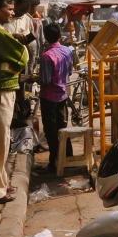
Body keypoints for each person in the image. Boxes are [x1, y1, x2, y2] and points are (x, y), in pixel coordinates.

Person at [0, 0, 26, 202]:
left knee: (2, 140)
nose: (13, 13)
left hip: (2, 89)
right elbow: (22, 55)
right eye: (10, 9)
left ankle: (2, 182)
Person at [37, 22, 73, 174]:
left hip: (49, 97)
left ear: (45, 37)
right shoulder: (67, 51)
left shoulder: (46, 56)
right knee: (63, 127)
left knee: (51, 131)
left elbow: (45, 80)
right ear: (59, 36)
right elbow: (70, 72)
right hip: (63, 95)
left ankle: (54, 161)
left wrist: (35, 78)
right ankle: (68, 157)